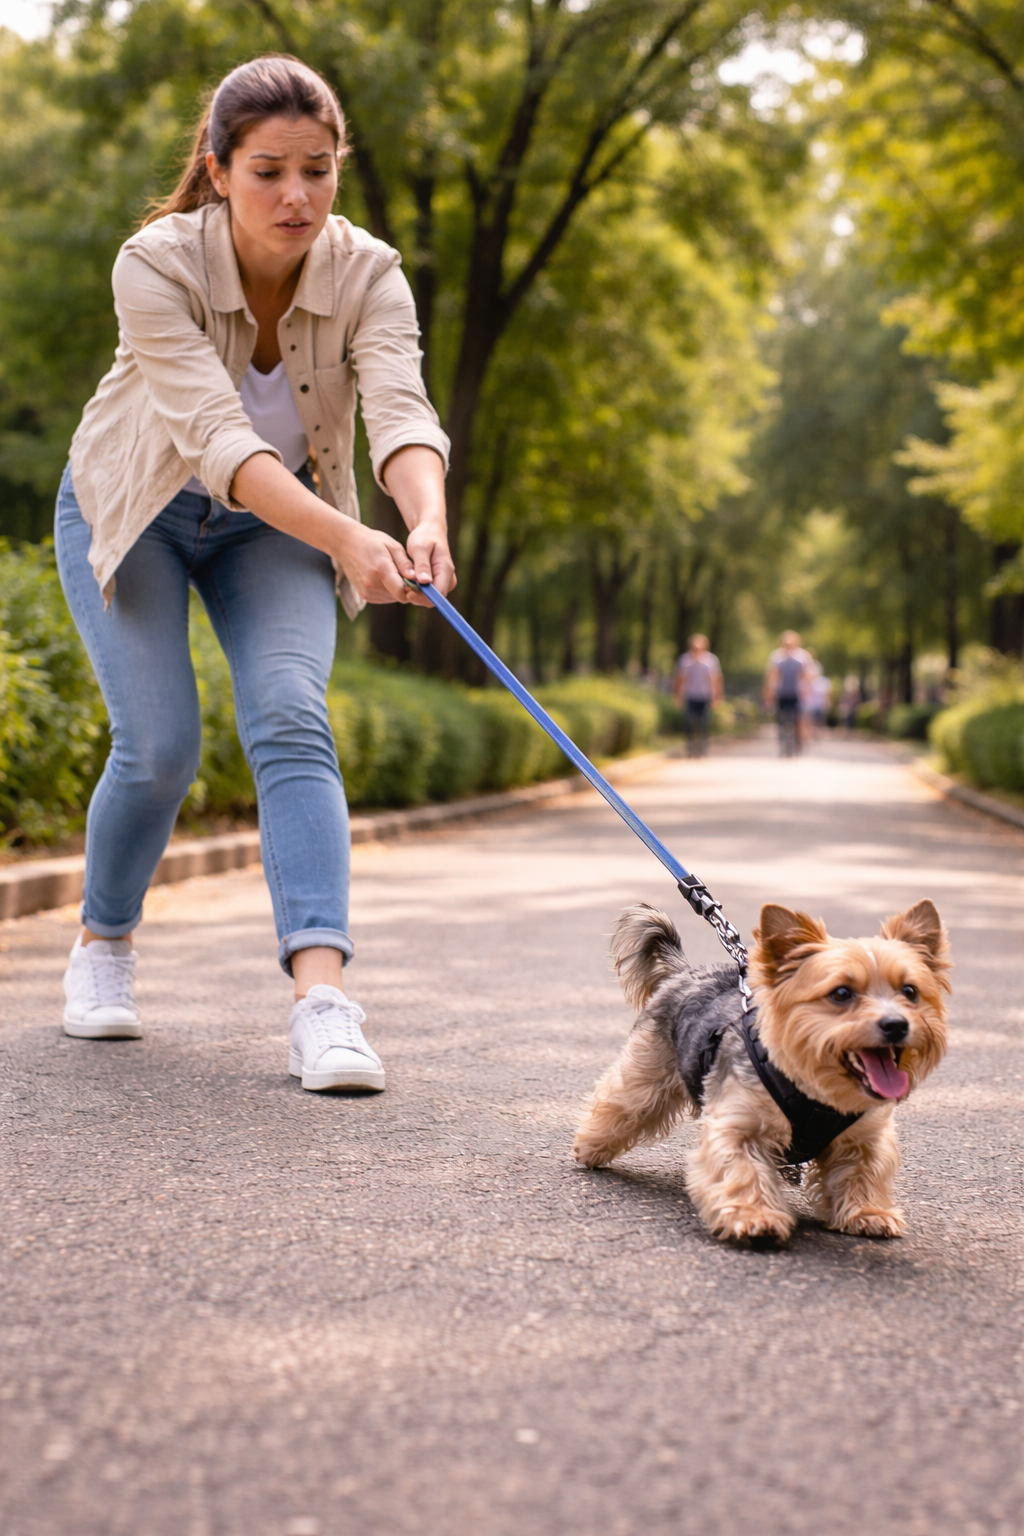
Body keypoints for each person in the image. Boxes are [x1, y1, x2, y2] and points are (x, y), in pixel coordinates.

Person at [54, 55, 455, 1096]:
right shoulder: (154, 262)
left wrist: (422, 519)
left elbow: (401, 408)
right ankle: (103, 941)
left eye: (317, 171)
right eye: (269, 170)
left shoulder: (369, 269)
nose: (296, 196)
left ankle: (322, 1003)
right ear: (219, 168)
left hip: (275, 526)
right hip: (136, 506)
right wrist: (348, 541)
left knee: (289, 715)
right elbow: (219, 440)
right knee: (160, 749)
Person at [672, 634, 723, 757]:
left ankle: (704, 748)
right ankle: (690, 748)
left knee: (704, 723)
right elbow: (679, 678)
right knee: (689, 722)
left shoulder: (711, 660)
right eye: (694, 647)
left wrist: (717, 697)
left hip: (705, 696)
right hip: (690, 695)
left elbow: (717, 679)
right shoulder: (684, 660)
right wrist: (677, 695)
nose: (696, 650)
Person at [764, 631, 810, 757]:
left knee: (797, 720)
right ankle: (783, 746)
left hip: (796, 694)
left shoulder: (802, 657)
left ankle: (797, 746)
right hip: (781, 693)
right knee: (781, 721)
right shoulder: (776, 657)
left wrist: (806, 691)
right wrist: (770, 692)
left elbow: (804, 676)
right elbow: (773, 676)